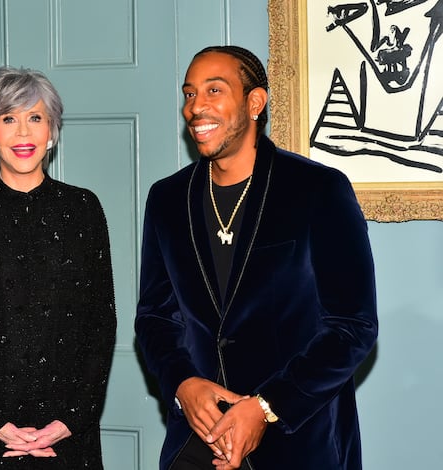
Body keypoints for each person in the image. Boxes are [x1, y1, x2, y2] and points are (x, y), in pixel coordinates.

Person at [135, 46, 378, 469]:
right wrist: (182, 383)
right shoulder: (166, 199)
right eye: (189, 94)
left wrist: (265, 406)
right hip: (197, 443)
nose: (196, 107)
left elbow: (353, 328)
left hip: (298, 441)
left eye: (214, 90)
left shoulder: (318, 190)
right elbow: (155, 317)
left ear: (254, 102)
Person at [0, 66, 116, 469]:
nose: (22, 133)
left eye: (35, 117)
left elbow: (101, 324)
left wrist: (70, 421)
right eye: (8, 119)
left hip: (68, 435)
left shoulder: (84, 209)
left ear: (51, 131)